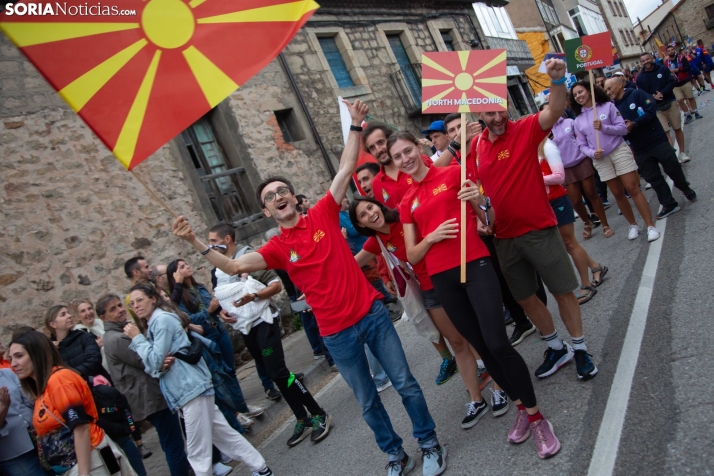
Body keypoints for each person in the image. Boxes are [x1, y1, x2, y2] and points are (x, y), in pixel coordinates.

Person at [173, 99, 448, 476]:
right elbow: (234, 265)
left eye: (281, 190)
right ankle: (395, 455)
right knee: (368, 402)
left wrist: (354, 126)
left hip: (371, 315)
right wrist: (195, 244)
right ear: (267, 211)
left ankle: (428, 442)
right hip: (336, 335)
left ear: (292, 196)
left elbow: (346, 167)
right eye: (269, 197)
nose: (276, 196)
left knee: (405, 384)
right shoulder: (276, 249)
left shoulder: (322, 212)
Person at [387, 125, 562, 460]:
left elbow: (490, 219)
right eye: (397, 157)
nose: (404, 159)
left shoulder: (454, 174)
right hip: (442, 279)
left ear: (417, 148)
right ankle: (520, 406)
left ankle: (539, 418)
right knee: (481, 347)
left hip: (476, 265)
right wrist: (432, 237)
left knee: (497, 342)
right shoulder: (407, 200)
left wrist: (481, 201)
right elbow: (412, 255)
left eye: (407, 151)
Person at [467, 58, 600, 382]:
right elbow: (477, 192)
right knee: (526, 297)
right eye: (489, 113)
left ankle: (580, 349)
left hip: (539, 229)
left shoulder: (525, 128)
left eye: (501, 110)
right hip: (504, 237)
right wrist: (480, 215)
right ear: (479, 116)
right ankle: (556, 347)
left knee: (562, 291)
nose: (497, 118)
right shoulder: (476, 145)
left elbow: (553, 111)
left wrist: (556, 81)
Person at [350, 196, 501, 427]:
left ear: (378, 206)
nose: (370, 214)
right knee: (457, 343)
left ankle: (501, 387)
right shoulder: (376, 240)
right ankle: (476, 400)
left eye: (370, 207)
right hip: (430, 289)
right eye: (363, 215)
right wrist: (317, 286)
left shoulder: (404, 215)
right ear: (361, 225)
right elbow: (350, 264)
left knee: (479, 335)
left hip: (451, 276)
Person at [124, 283, 273, 476]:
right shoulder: (155, 323)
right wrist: (155, 363)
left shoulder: (161, 321)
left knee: (197, 451)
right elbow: (155, 365)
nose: (135, 305)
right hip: (189, 388)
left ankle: (261, 469)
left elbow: (153, 361)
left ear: (153, 298)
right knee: (224, 436)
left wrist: (137, 339)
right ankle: (261, 468)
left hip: (190, 389)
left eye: (140, 300)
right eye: (132, 303)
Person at [206, 222, 333, 444]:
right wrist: (222, 313)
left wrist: (253, 297)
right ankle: (301, 418)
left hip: (264, 321)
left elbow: (276, 287)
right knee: (274, 374)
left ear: (227, 239)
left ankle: (319, 413)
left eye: (214, 242)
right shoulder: (216, 272)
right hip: (245, 327)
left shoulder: (248, 258)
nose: (211, 247)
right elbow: (222, 299)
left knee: (280, 372)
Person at [441, 112, 542, 345]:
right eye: (452, 130)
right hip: (478, 232)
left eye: (461, 126)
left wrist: (485, 213)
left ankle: (540, 311)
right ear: (449, 137)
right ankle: (522, 321)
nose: (458, 132)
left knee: (526, 270)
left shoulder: (483, 148)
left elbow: (494, 184)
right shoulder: (449, 165)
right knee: (499, 276)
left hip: (502, 219)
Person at [9, 331, 135, 476]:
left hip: (91, 462)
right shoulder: (44, 387)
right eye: (11, 358)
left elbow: (81, 428)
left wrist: (83, 473)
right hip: (75, 465)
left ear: (37, 354)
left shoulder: (59, 380)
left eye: (19, 356)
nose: (13, 364)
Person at [97, 293, 192, 476]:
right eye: (113, 309)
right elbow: (146, 360)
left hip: (148, 394)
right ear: (103, 317)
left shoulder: (121, 332)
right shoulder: (117, 338)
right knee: (173, 443)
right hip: (149, 396)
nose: (120, 310)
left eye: (119, 306)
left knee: (172, 442)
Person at [571, 80, 660, 242]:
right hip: (601, 160)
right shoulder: (578, 120)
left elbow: (623, 128)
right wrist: (592, 153)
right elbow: (581, 145)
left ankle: (650, 226)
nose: (578, 96)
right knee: (618, 194)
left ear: (589, 91)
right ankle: (633, 224)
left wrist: (604, 127)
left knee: (632, 188)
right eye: (575, 94)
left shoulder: (608, 106)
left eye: (580, 92)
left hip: (618, 151)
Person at [605, 77, 697, 217]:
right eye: (605, 90)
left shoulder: (637, 94)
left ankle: (685, 187)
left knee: (673, 169)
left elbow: (651, 111)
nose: (608, 92)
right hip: (639, 148)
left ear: (619, 85)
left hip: (657, 141)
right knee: (653, 178)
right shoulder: (612, 107)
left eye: (609, 88)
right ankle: (669, 204)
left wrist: (634, 123)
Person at [538, 136, 608, 304]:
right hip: (545, 203)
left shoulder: (547, 146)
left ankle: (586, 285)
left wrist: (535, 178)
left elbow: (559, 177)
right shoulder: (530, 150)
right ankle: (595, 266)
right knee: (567, 244)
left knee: (569, 243)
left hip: (557, 201)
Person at [548, 103, 613, 239]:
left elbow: (582, 140)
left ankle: (605, 224)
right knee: (575, 200)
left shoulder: (570, 122)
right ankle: (587, 222)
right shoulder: (547, 131)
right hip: (565, 168)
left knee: (591, 193)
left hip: (581, 161)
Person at [636, 52, 691, 163]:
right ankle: (673, 157)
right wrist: (652, 97)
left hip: (670, 101)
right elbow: (642, 94)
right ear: (641, 63)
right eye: (643, 61)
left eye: (647, 59)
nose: (646, 62)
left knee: (677, 128)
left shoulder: (663, 69)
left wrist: (663, 93)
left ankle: (682, 153)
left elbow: (671, 82)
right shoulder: (640, 78)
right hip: (656, 108)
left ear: (651, 58)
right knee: (665, 133)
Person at [44, 305, 113, 383]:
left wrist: (71, 376)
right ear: (53, 324)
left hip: (96, 388)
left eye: (68, 313)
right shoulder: (50, 349)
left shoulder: (84, 337)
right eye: (63, 314)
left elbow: (93, 361)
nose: (69, 316)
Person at [0, 365, 46, 475]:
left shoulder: (7, 373)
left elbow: (29, 398)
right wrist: (3, 408)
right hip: (15, 452)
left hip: (40, 437)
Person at [664, 44, 702, 124]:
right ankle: (687, 114)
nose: (671, 52)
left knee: (690, 97)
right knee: (680, 100)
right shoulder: (666, 62)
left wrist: (678, 69)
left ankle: (696, 112)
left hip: (685, 80)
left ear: (674, 50)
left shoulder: (681, 57)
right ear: (667, 52)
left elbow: (687, 67)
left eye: (672, 50)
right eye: (669, 51)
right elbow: (666, 73)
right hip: (675, 84)